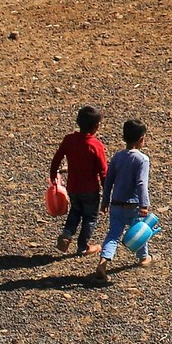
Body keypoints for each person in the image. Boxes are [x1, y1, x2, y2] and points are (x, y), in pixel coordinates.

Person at [91, 119, 154, 284]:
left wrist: (105, 201)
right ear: (141, 139)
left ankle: (103, 263)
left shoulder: (118, 156)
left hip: (116, 204)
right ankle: (143, 257)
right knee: (140, 230)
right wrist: (144, 204)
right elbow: (141, 183)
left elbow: (108, 180)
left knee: (113, 235)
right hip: (133, 205)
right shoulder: (142, 159)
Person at [49, 106, 108, 256]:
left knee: (75, 211)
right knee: (90, 217)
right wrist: (106, 192)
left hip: (73, 187)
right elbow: (103, 170)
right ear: (96, 127)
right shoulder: (96, 145)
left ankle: (67, 234)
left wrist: (53, 175)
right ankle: (83, 246)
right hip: (90, 189)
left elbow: (57, 158)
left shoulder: (69, 140)